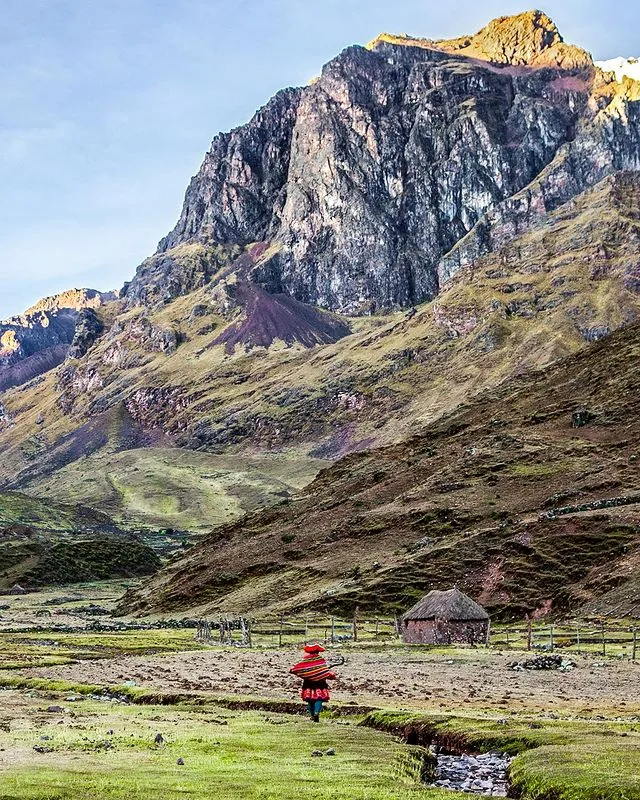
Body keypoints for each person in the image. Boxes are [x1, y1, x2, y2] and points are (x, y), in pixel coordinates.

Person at [289, 643, 337, 722]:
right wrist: (332, 675)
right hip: (320, 684)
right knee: (319, 698)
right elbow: (324, 672)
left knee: (310, 700)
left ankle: (312, 716)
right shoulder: (320, 660)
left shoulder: (305, 660)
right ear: (318, 652)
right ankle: (316, 713)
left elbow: (297, 669)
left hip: (308, 683)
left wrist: (294, 670)